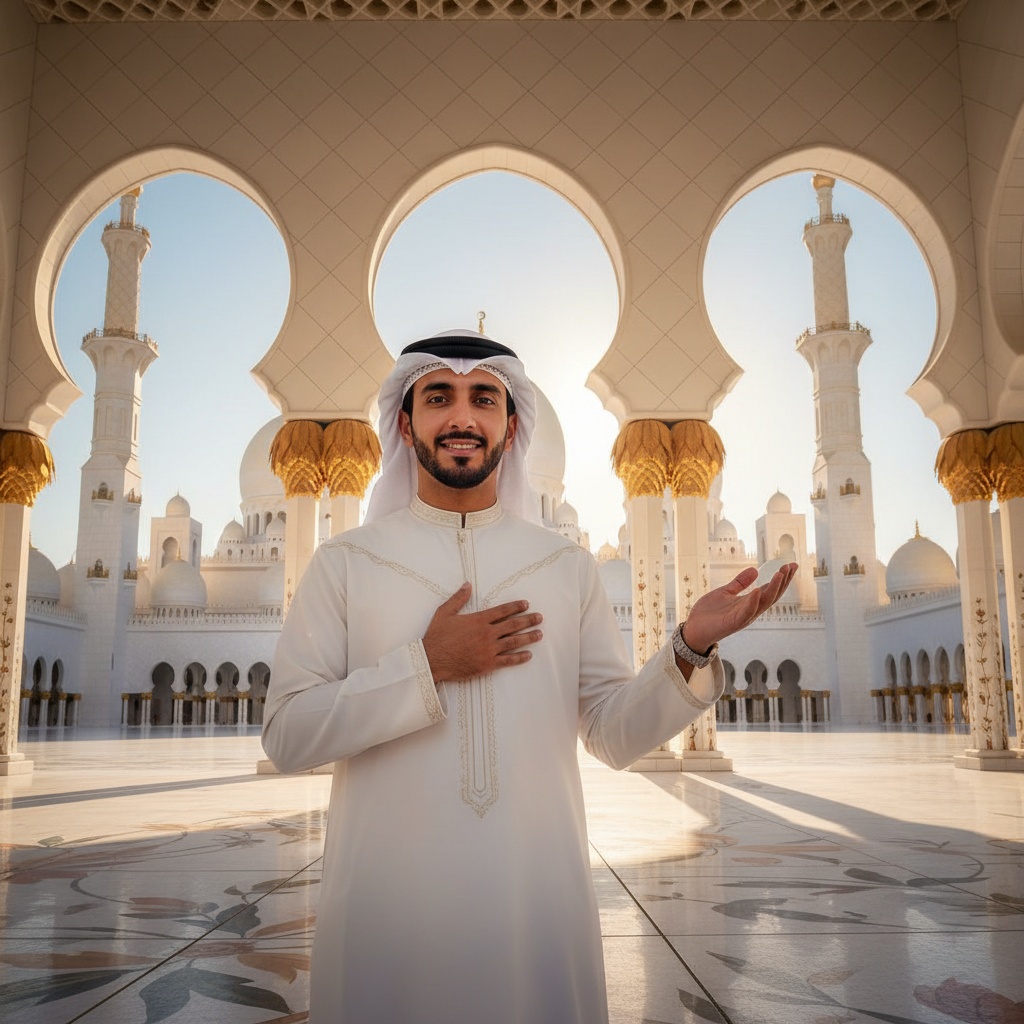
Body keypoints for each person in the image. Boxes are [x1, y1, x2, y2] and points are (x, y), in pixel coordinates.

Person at [262, 329, 797, 1024]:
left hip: (535, 907)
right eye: (439, 398)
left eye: (484, 398)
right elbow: (288, 734)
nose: (462, 417)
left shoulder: (563, 567)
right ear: (405, 420)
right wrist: (427, 666)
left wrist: (690, 647)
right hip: (387, 912)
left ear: (511, 427)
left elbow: (609, 734)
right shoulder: (346, 564)